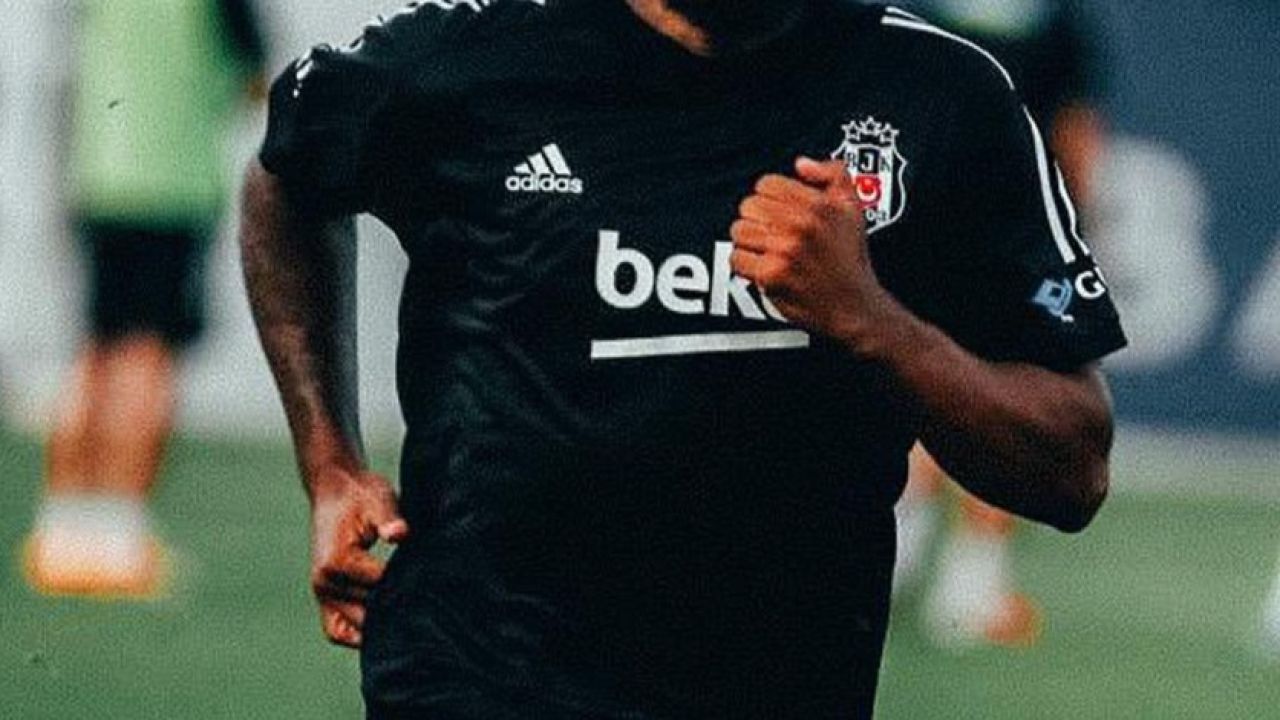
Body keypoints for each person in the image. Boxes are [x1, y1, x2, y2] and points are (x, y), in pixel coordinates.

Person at [241, 1, 1126, 717]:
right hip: (478, 674)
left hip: (782, 688)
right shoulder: (468, 56)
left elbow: (1072, 465)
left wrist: (873, 322)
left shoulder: (938, 92)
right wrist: (330, 463)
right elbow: (285, 179)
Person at [884, 0, 1109, 649]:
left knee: (927, 375)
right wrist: (1080, 230)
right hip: (1015, 230)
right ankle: (970, 584)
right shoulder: (1053, 20)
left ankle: (902, 542)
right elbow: (1076, 134)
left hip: (927, 214)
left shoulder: (919, 13)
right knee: (1015, 392)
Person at [23, 0, 266, 599]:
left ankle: (60, 532)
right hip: (170, 180)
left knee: (97, 349)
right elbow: (254, 75)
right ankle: (118, 536)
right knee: (149, 356)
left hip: (101, 173)